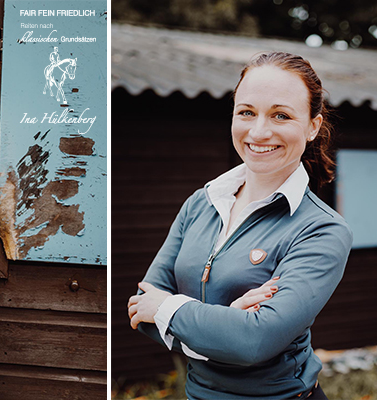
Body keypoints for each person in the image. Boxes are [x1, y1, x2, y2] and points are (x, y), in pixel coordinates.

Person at [126, 52, 352, 399]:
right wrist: (222, 324)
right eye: (247, 112)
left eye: (281, 115)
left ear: (312, 126)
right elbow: (142, 307)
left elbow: (254, 341)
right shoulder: (200, 203)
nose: (259, 131)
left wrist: (172, 311)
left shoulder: (322, 230)